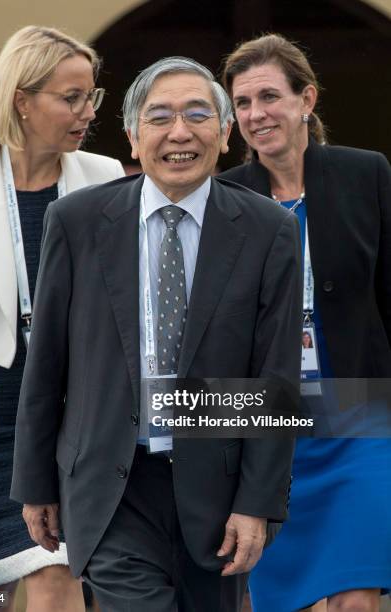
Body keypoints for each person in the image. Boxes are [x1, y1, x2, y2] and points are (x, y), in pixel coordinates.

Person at [10, 56, 303, 611]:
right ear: (131, 136)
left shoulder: (270, 231)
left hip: (216, 491)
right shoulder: (76, 221)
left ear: (223, 133)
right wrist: (35, 482)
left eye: (198, 114)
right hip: (110, 483)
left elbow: (273, 380)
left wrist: (257, 503)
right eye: (159, 116)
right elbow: (45, 361)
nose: (178, 132)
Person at [0, 25, 123, 612]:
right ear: (22, 98)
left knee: (56, 574)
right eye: (71, 97)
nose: (87, 112)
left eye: (91, 96)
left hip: (62, 420)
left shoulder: (106, 177)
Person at [220, 33, 391, 612]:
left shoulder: (366, 174)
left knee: (357, 598)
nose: (256, 114)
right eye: (242, 103)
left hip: (360, 417)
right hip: (270, 427)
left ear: (306, 100)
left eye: (269, 96)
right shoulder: (224, 198)